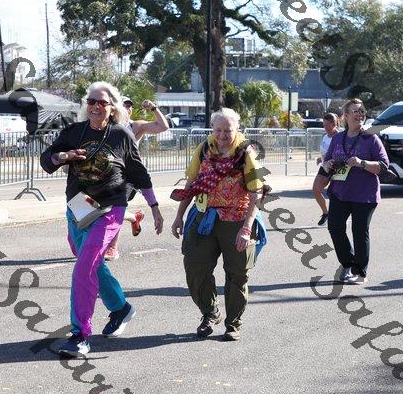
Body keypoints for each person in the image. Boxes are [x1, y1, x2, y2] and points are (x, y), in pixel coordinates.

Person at [40, 81, 163, 357]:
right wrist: (61, 156)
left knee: (85, 266)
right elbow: (47, 159)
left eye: (102, 102)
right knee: (88, 261)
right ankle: (120, 307)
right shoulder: (74, 132)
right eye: (91, 101)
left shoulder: (121, 135)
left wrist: (154, 205)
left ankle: (80, 335)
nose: (96, 106)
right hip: (78, 206)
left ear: (112, 107)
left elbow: (138, 172)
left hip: (110, 208)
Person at [171, 108, 267, 342]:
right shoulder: (204, 148)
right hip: (204, 217)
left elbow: (256, 192)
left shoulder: (246, 153)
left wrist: (247, 228)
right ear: (212, 129)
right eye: (218, 130)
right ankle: (210, 312)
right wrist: (179, 216)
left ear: (237, 129)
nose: (222, 135)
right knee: (195, 266)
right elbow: (191, 183)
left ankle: (233, 323)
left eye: (228, 130)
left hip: (237, 220)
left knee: (237, 274)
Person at [322, 98, 389, 285]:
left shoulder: (370, 138)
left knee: (359, 231)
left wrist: (362, 163)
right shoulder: (337, 138)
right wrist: (327, 164)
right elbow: (327, 161)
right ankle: (348, 264)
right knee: (335, 227)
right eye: (355, 111)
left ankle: (360, 272)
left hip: (364, 194)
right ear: (345, 116)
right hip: (339, 192)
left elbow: (384, 165)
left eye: (362, 111)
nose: (360, 114)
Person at [103, 96, 170, 261]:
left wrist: (153, 108)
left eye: (130, 105)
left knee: (115, 207)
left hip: (129, 176)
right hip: (108, 174)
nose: (128, 108)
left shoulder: (135, 126)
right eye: (124, 105)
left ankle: (113, 247)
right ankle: (134, 217)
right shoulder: (106, 125)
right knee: (100, 208)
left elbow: (163, 126)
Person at [313, 113, 340, 226]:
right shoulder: (325, 135)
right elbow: (324, 151)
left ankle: (339, 216)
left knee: (335, 194)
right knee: (316, 190)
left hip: (336, 168)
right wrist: (321, 158)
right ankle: (326, 213)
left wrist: (331, 162)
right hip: (324, 166)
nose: (324, 127)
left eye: (326, 125)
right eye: (323, 125)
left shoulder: (340, 136)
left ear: (333, 124)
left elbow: (340, 153)